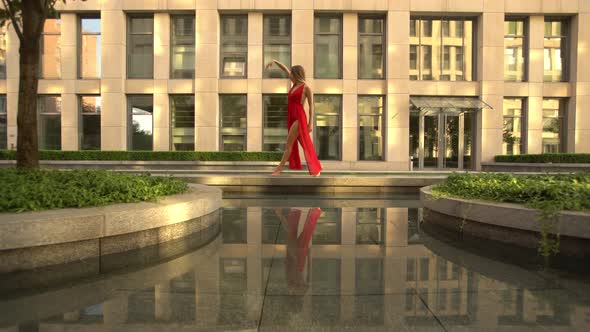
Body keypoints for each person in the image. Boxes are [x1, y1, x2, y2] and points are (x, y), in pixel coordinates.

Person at [265, 60, 322, 177]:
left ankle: (279, 169)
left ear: (296, 74)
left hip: (299, 117)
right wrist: (275, 61)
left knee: (288, 144)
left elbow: (311, 107)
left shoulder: (306, 88)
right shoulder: (294, 84)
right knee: (305, 143)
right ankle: (316, 169)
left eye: (292, 74)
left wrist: (310, 124)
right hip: (291, 116)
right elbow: (285, 69)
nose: (289, 75)